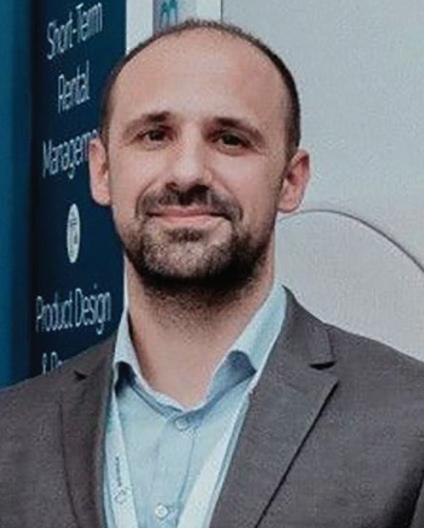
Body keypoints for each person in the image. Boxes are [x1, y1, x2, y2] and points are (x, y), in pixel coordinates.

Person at [1, 19, 424, 528]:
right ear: (102, 171)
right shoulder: (11, 433)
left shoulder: (409, 421)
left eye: (230, 140)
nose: (187, 173)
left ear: (291, 180)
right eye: (154, 135)